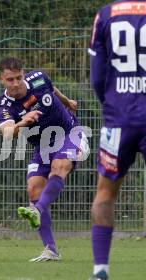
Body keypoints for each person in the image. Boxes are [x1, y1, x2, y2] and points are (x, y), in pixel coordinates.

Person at [0, 57, 88, 262]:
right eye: (10, 79)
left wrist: (67, 102)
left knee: (59, 166)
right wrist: (22, 122)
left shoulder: (38, 78)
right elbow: (7, 132)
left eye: (19, 77)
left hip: (69, 134)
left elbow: (52, 89)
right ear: (2, 79)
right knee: (34, 189)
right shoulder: (4, 104)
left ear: (24, 73)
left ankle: (36, 210)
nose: (16, 83)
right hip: (42, 145)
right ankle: (51, 250)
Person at [88, 1, 146, 279]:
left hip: (118, 119)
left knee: (106, 192)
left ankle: (100, 269)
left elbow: (97, 76)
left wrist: (111, 106)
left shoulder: (106, 14)